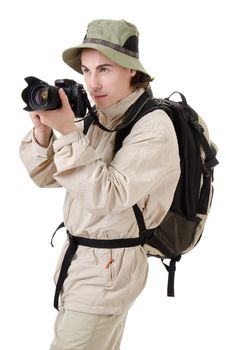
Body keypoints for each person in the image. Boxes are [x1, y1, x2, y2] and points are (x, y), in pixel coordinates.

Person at [20, 19, 180, 350]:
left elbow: (109, 196)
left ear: (131, 71)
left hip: (106, 273)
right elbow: (46, 177)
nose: (93, 83)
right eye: (87, 70)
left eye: (104, 69)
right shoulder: (102, 116)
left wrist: (68, 134)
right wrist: (44, 132)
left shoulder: (153, 126)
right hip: (82, 266)